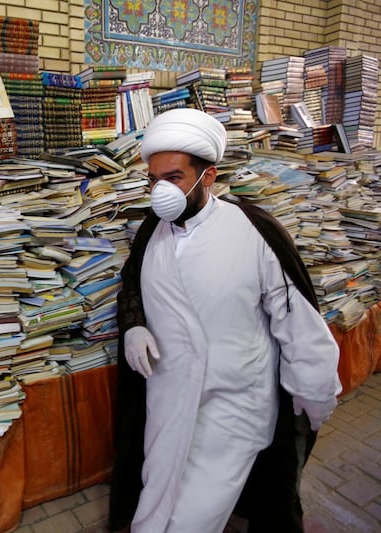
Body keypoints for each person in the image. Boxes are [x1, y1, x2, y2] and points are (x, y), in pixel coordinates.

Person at [108, 108, 342, 533]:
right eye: (153, 179)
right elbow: (133, 286)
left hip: (234, 404)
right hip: (169, 397)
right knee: (154, 503)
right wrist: (135, 324)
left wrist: (314, 389)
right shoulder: (151, 231)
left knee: (192, 518)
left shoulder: (252, 231)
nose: (160, 190)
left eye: (174, 178)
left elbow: (297, 322)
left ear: (208, 176)